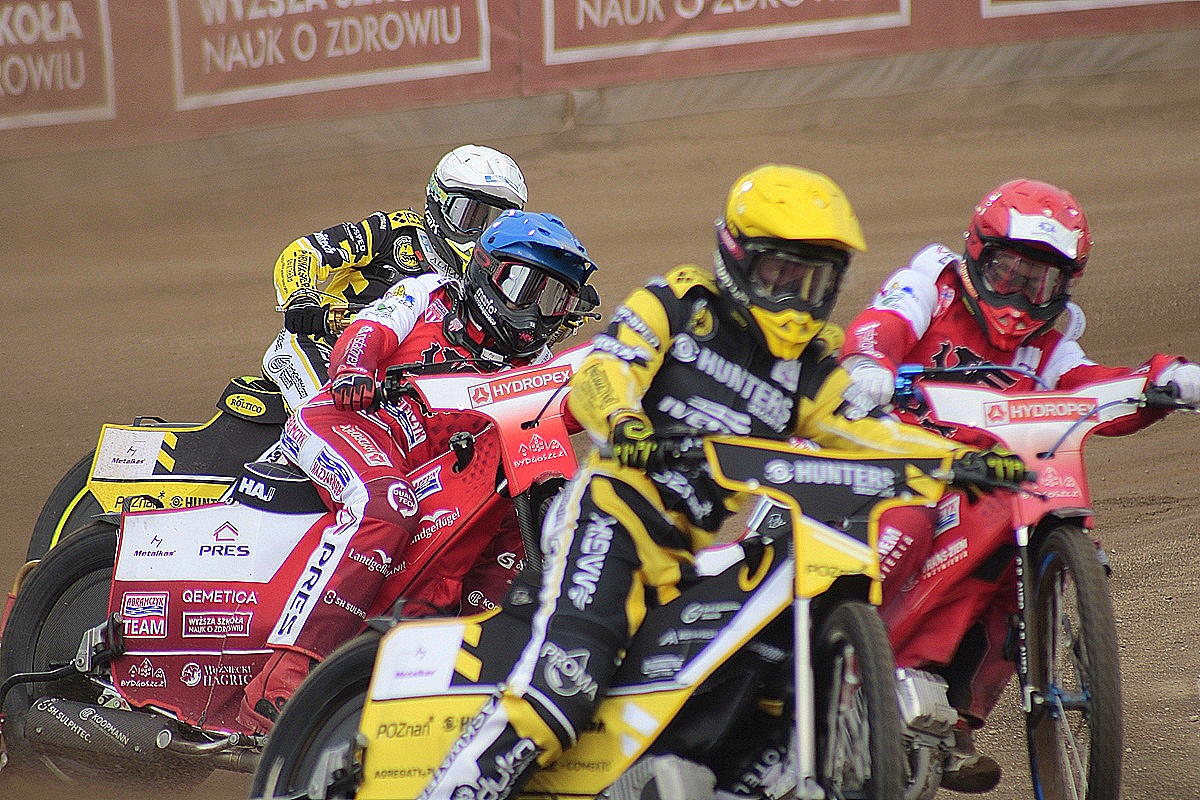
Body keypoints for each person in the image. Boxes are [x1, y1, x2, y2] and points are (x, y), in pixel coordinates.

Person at [414, 165, 1024, 800]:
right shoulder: (673, 306)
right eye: (781, 273)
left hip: (683, 555)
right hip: (608, 521)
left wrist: (958, 462)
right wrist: (622, 420)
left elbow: (869, 432)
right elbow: (603, 370)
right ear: (738, 256)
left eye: (814, 280)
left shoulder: (807, 369)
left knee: (761, 690)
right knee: (563, 691)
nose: (796, 297)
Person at [838, 177, 1200, 792]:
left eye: (1041, 284)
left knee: (1018, 548)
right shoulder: (931, 284)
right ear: (978, 254)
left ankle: (950, 714)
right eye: (1008, 274)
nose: (1020, 297)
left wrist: (1159, 380)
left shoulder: (1049, 343)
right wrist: (868, 364)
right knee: (916, 522)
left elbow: (1087, 386)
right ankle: (849, 663)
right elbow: (881, 324)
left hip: (983, 478)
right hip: (885, 463)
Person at [239, 210, 599, 733]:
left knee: (506, 531)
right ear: (486, 269)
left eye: (555, 299)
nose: (535, 313)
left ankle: (444, 681)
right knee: (387, 506)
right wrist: (355, 369)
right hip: (346, 420)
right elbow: (370, 329)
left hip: (421, 468)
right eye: (526, 287)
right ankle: (284, 677)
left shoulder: (535, 364)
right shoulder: (428, 292)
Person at [263, 144, 529, 412]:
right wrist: (301, 299)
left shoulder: (488, 277)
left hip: (395, 376)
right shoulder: (394, 231)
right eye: (470, 215)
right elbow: (305, 251)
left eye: (494, 222)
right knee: (330, 416)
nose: (478, 232)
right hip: (323, 347)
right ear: (439, 201)